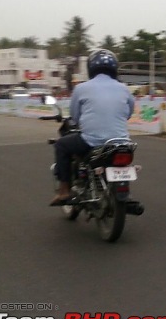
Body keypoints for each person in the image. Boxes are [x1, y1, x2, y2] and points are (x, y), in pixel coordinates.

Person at [50, 50, 135, 206]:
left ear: (90, 69)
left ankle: (63, 191)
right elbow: (128, 113)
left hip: (92, 141)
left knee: (61, 145)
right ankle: (123, 192)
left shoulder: (81, 88)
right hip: (121, 142)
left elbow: (75, 116)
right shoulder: (124, 88)